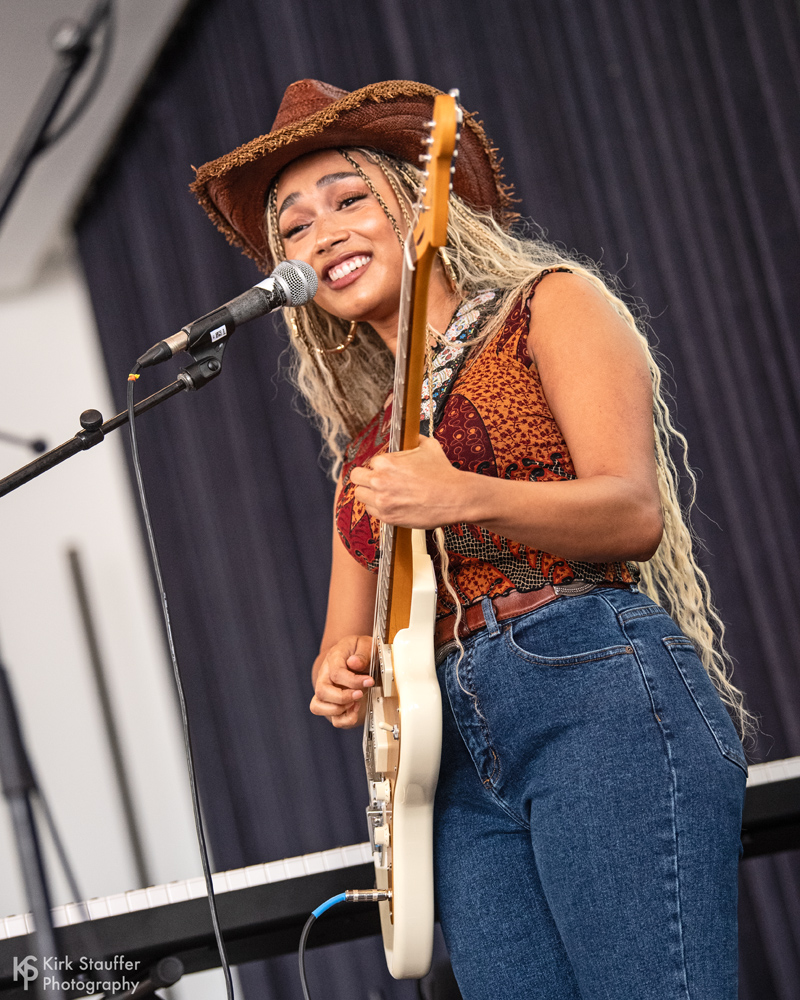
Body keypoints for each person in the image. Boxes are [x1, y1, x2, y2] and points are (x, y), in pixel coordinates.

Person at [192, 79, 751, 1000]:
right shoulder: (365, 452)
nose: (321, 235)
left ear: (421, 204)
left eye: (348, 199)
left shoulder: (549, 306)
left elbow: (631, 515)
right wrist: (340, 672)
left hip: (589, 686)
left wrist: (463, 496)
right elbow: (346, 644)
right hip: (442, 759)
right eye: (293, 228)